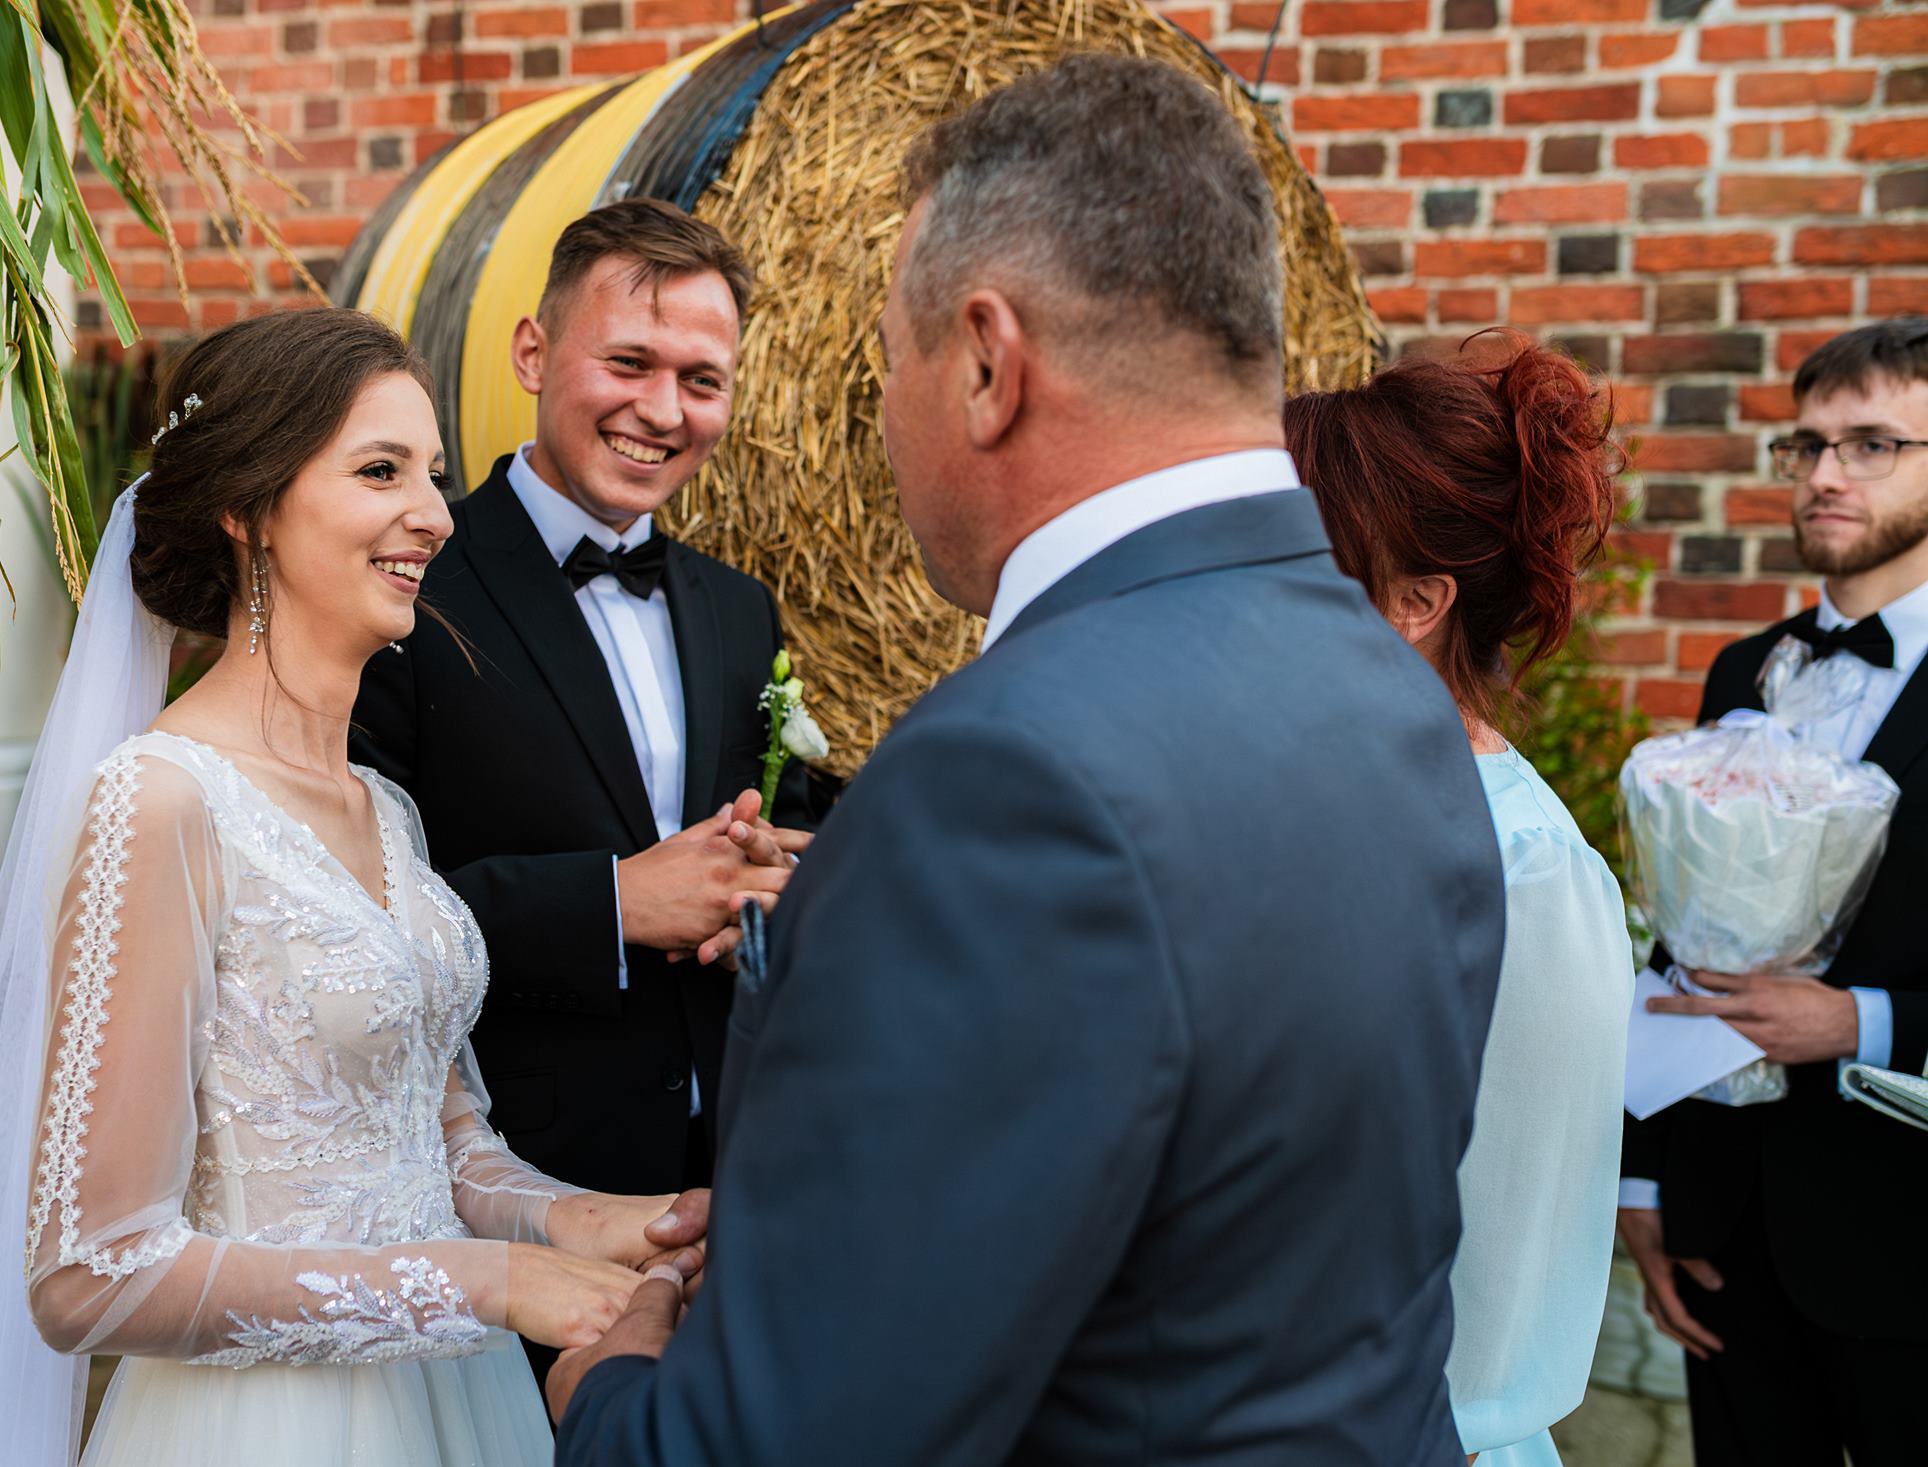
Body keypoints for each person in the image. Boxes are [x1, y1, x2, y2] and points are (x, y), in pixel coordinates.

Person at [547, 54, 1506, 1464]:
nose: (884, 410)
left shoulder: (1005, 777)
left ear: (989, 363)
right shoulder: (1393, 692)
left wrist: (609, 1387)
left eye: (890, 359)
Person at [0, 309, 707, 1467]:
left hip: (456, 1405)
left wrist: (617, 1223)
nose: (434, 514)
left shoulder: (386, 811)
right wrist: (482, 1285)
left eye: (433, 474)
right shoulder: (162, 800)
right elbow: (88, 1276)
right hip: (268, 1429)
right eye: (380, 471)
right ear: (248, 510)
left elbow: (436, 1148)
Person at [351, 201, 821, 1235]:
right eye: (629, 363)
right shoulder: (409, 585)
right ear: (533, 353)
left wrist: (777, 884)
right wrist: (611, 904)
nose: (663, 410)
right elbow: (343, 904)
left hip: (741, 1153)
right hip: (507, 1175)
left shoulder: (739, 609)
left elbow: (787, 825)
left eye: (702, 381)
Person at [1284, 334, 1635, 1467]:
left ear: (1415, 600)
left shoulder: (1520, 871)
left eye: (1290, 554)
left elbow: (1508, 1258)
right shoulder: (1306, 802)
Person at [1618, 318, 1928, 1466]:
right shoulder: (1738, 670)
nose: (1825, 475)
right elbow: (1677, 941)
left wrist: (1857, 1022)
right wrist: (1641, 1178)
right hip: (1724, 1232)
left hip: (1905, 1247)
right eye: (1807, 446)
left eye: (1872, 445)